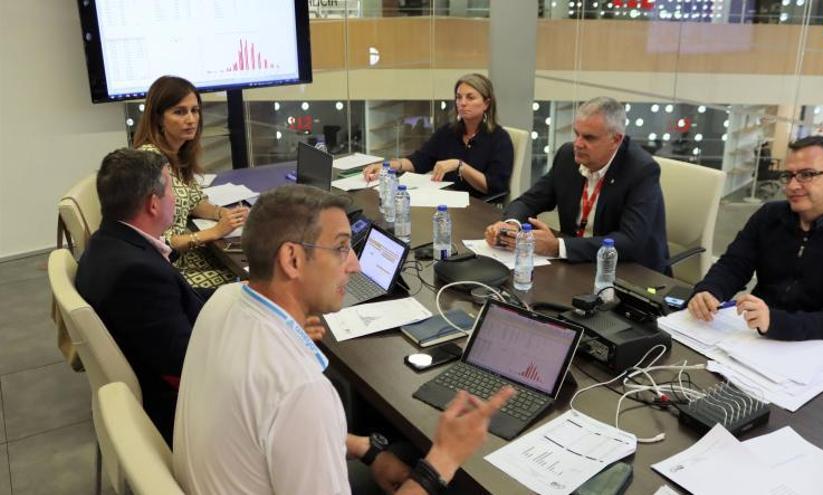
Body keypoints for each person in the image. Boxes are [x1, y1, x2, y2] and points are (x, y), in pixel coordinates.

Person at [174, 184, 514, 494]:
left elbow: (277, 429)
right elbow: (292, 405)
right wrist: (441, 461)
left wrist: (368, 450)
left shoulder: (223, 301)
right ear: (292, 259)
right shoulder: (301, 390)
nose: (355, 264)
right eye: (340, 248)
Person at [688, 135, 823, 349]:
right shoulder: (769, 216)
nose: (792, 185)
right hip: (756, 338)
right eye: (788, 175)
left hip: (819, 350)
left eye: (807, 175)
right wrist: (709, 290)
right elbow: (733, 265)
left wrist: (775, 322)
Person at [75, 148, 208, 444]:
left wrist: (239, 294)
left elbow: (178, 300)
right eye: (171, 189)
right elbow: (189, 363)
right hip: (180, 413)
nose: (175, 198)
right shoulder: (137, 275)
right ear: (152, 204)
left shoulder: (108, 241)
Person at [484, 97, 669, 272]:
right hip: (576, 265)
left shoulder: (641, 170)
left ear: (616, 140)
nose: (578, 144)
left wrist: (558, 247)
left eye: (589, 138)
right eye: (576, 134)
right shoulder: (567, 157)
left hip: (628, 272)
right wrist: (510, 226)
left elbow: (630, 241)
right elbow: (528, 201)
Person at [133, 75, 248, 288]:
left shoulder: (177, 154)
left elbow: (195, 202)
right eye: (180, 112)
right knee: (254, 281)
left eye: (194, 110)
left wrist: (222, 214)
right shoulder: (150, 163)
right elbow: (160, 241)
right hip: (168, 269)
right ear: (158, 118)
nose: (191, 119)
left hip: (183, 256)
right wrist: (215, 232)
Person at [363, 73, 514, 198]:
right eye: (459, 97)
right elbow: (419, 161)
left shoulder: (500, 139)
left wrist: (459, 165)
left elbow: (495, 187)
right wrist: (386, 166)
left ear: (486, 104)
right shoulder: (448, 132)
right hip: (445, 202)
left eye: (470, 97)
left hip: (480, 209)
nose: (462, 103)